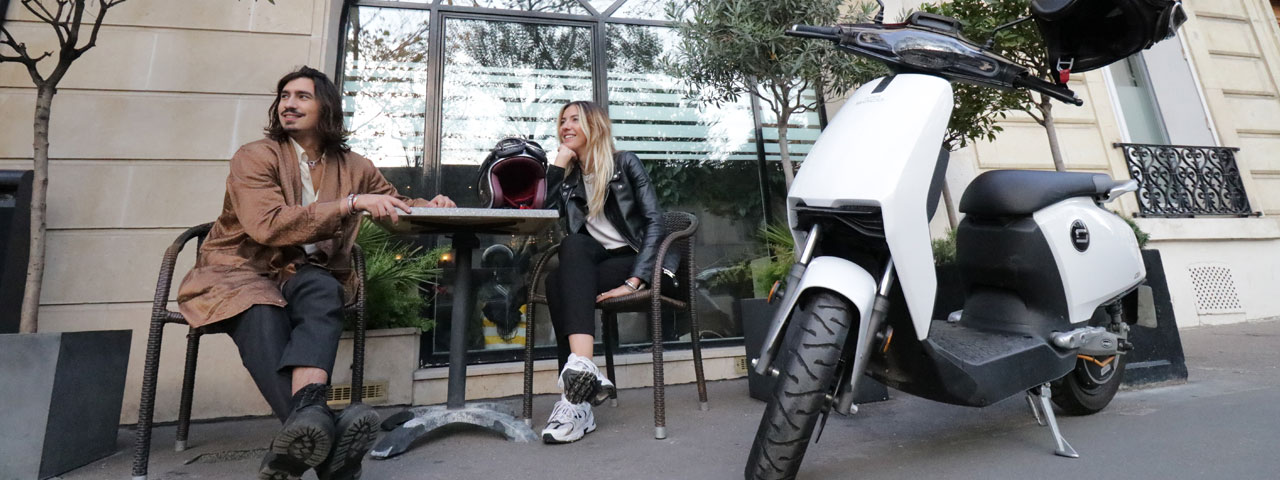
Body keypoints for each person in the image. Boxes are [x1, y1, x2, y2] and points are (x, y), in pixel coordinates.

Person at [176, 66, 455, 480]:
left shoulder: (354, 165)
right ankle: (323, 442)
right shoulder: (255, 156)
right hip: (239, 271)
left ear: (327, 107)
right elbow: (267, 224)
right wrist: (347, 205)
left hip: (305, 271)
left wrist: (433, 207)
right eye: (284, 96)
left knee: (324, 291)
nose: (288, 103)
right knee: (260, 310)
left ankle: (307, 428)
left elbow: (391, 204)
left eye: (302, 96)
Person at [540, 100, 680, 444]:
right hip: (598, 262)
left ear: (595, 125)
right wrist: (557, 167)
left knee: (559, 282)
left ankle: (575, 403)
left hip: (637, 260)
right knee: (566, 258)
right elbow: (541, 218)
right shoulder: (571, 177)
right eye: (562, 121)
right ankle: (583, 376)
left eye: (575, 119)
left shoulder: (624, 162)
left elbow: (653, 222)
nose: (566, 126)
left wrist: (636, 280)